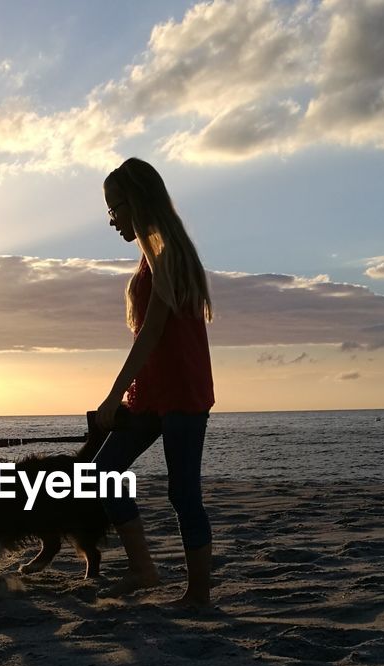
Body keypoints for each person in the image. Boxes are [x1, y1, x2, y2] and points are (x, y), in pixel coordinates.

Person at [93, 157, 215, 608]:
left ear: (137, 202)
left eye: (115, 208)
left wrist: (112, 396)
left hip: (182, 391)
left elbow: (151, 335)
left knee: (183, 493)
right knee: (104, 474)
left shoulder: (167, 255)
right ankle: (144, 570)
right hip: (152, 394)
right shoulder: (150, 257)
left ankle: (198, 595)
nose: (112, 219)